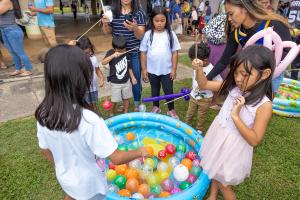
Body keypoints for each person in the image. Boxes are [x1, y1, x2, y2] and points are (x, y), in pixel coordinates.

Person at [35, 45, 148, 200]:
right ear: (81, 80)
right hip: (91, 187)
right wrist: (140, 152)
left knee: (72, 194)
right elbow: (116, 157)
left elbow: (44, 149)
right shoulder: (88, 119)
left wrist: (61, 165)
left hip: (66, 178)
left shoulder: (44, 113)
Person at [192, 45, 274, 200]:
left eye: (244, 74)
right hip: (219, 134)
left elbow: (255, 139)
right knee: (214, 167)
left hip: (234, 147)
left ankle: (219, 192)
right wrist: (199, 70)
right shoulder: (234, 87)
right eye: (236, 72)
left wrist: (236, 116)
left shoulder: (264, 105)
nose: (238, 78)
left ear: (265, 74)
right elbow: (204, 85)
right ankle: (213, 195)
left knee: (225, 184)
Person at [206, 0, 292, 93]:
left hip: (271, 76)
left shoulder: (273, 24)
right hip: (250, 76)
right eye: (227, 15)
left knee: (264, 105)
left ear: (245, 8)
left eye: (231, 14)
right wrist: (207, 78)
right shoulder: (236, 32)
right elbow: (223, 62)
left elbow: (288, 52)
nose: (229, 19)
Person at [102, 0, 146, 112]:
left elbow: (141, 36)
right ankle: (123, 102)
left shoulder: (139, 13)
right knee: (120, 79)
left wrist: (134, 28)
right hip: (119, 54)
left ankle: (136, 104)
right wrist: (105, 23)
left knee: (135, 79)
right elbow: (107, 32)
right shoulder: (112, 12)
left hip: (134, 52)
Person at [140, 6, 181, 119]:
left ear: (166, 20)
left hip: (167, 70)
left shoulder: (170, 34)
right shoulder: (148, 35)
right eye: (156, 21)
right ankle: (156, 107)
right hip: (152, 71)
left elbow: (174, 53)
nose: (159, 23)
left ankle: (171, 109)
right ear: (152, 20)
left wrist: (173, 69)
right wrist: (144, 70)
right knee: (155, 89)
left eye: (162, 21)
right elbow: (143, 52)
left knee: (168, 90)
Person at [185, 42, 222, 132]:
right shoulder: (195, 66)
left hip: (205, 98)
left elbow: (219, 83)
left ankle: (199, 128)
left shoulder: (212, 69)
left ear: (205, 60)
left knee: (201, 115)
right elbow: (194, 79)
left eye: (195, 61)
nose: (193, 63)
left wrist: (215, 98)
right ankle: (187, 124)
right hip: (193, 96)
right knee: (190, 113)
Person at [102, 36, 137, 116]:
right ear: (115, 49)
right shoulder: (111, 52)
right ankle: (111, 112)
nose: (123, 51)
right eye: (120, 50)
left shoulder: (127, 54)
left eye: (124, 49)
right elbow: (103, 62)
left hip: (126, 80)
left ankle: (126, 111)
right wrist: (113, 56)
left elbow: (129, 68)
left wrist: (133, 77)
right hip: (115, 82)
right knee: (115, 99)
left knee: (126, 97)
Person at [0, 0, 33, 76]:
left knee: (19, 52)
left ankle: (28, 70)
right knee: (12, 51)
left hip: (11, 30)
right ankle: (18, 69)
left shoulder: (6, 1)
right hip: (3, 30)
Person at [75, 36, 105, 113]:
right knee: (86, 107)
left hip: (93, 87)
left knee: (94, 104)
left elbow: (97, 69)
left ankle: (97, 118)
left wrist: (101, 78)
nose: (88, 54)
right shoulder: (76, 61)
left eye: (89, 51)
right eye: (85, 53)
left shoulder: (93, 58)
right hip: (83, 89)